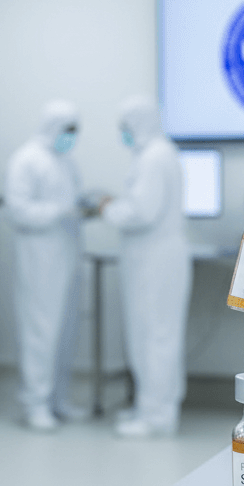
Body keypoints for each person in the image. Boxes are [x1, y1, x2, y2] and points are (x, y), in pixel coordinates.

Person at [101, 96, 192, 438]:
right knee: (151, 335)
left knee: (155, 336)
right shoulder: (157, 154)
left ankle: (156, 416)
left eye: (125, 126)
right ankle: (150, 407)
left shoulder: (154, 157)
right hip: (152, 259)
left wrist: (108, 209)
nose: (123, 133)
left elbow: (142, 212)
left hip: (156, 259)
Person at [5, 100, 84, 431]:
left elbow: (70, 203)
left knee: (65, 331)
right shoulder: (27, 159)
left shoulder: (64, 161)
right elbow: (17, 211)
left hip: (66, 254)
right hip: (39, 257)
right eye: (67, 130)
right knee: (41, 331)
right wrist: (59, 210)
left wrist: (80, 208)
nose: (71, 137)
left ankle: (57, 400)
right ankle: (34, 403)